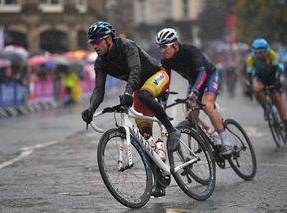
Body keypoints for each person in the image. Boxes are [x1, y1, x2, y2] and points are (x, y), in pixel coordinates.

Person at [81, 21, 180, 197]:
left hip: (157, 75)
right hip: (138, 87)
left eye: (97, 42)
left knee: (144, 94)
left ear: (109, 39)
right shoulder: (100, 62)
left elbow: (135, 70)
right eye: (92, 43)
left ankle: (172, 131)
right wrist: (90, 109)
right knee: (144, 138)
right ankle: (160, 181)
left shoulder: (127, 46)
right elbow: (98, 90)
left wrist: (127, 92)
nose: (94, 46)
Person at [155, 28, 232, 156]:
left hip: (209, 76)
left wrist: (195, 90)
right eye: (159, 47)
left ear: (175, 44)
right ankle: (208, 131)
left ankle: (226, 143)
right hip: (194, 83)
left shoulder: (190, 50)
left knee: (207, 105)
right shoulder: (166, 61)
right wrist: (162, 103)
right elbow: (165, 84)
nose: (162, 51)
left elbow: (202, 72)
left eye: (164, 47)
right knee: (190, 115)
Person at [246, 38, 287, 127]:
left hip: (273, 77)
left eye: (260, 52)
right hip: (261, 78)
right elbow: (249, 74)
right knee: (256, 90)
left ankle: (285, 121)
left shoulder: (272, 54)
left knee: (277, 98)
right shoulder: (251, 59)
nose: (258, 55)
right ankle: (265, 108)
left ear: (266, 50)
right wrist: (249, 87)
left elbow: (277, 69)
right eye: (255, 52)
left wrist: (277, 80)